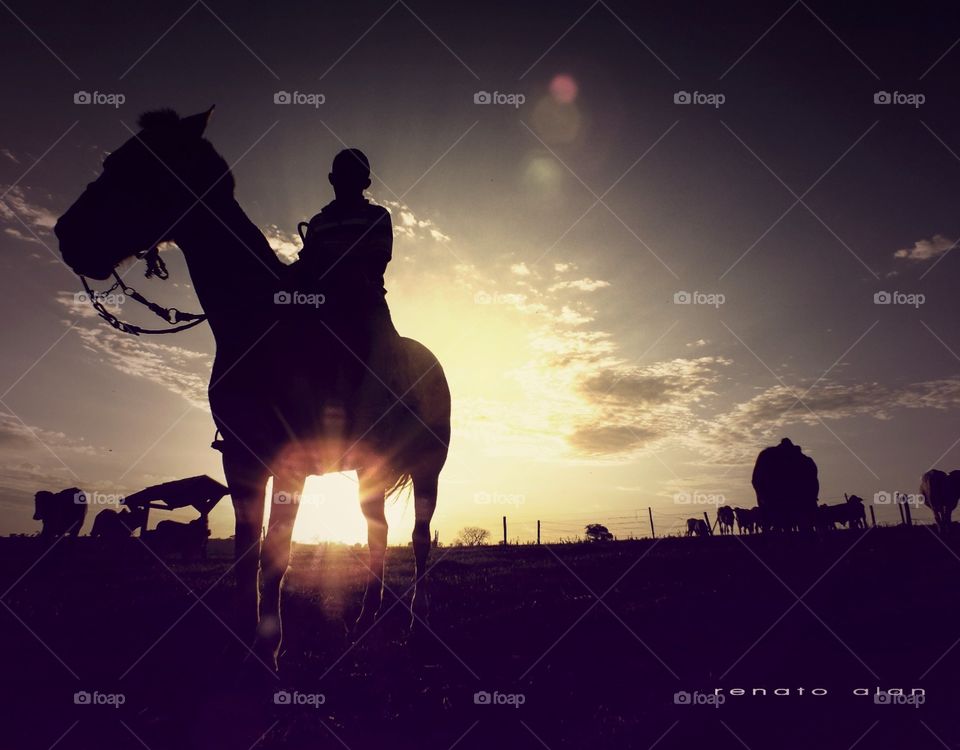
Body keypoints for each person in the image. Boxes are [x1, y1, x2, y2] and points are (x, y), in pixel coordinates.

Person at [285, 149, 398, 450]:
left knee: (383, 350)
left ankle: (382, 418)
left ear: (365, 182)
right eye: (342, 177)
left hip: (365, 299)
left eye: (354, 177)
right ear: (332, 180)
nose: (346, 182)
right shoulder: (319, 222)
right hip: (321, 302)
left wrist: (330, 268)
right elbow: (307, 261)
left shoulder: (377, 217)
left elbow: (378, 257)